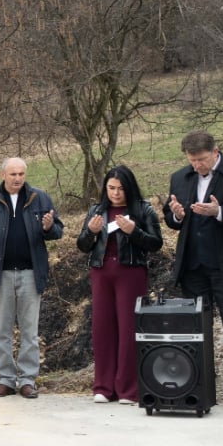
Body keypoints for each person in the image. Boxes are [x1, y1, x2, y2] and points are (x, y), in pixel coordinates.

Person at [162, 131, 223, 410]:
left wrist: (219, 212)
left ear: (216, 151)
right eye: (192, 160)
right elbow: (171, 219)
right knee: (195, 329)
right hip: (193, 265)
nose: (197, 166)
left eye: (202, 160)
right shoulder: (180, 177)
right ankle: (197, 383)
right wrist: (177, 215)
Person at [0, 157, 64, 399]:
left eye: (21, 174)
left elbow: (58, 230)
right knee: (2, 330)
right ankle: (6, 380)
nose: (18, 178)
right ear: (3, 175)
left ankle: (28, 380)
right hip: (0, 274)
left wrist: (48, 227)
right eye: (13, 174)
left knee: (30, 330)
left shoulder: (39, 198)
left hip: (31, 273)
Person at [76, 165, 162, 405]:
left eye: (121, 189)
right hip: (101, 272)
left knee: (128, 328)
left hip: (130, 272)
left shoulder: (143, 209)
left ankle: (128, 389)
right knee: (102, 328)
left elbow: (156, 243)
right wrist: (90, 232)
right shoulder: (97, 210)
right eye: (111, 188)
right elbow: (82, 245)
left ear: (129, 188)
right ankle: (103, 387)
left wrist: (134, 231)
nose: (115, 193)